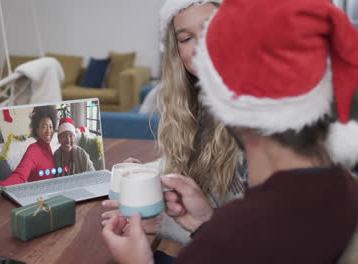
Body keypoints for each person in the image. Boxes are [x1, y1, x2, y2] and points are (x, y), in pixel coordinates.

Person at [102, 0, 358, 262]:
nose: (203, 49)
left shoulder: (232, 234)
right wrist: (205, 222)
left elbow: (238, 243)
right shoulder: (340, 185)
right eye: (187, 38)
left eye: (213, 31)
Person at [102, 0, 246, 243]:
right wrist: (143, 173)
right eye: (185, 38)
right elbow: (180, 165)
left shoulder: (261, 122)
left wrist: (156, 223)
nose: (200, 45)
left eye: (212, 28)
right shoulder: (196, 105)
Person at [0, 106, 57, 186]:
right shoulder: (33, 150)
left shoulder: (48, 148)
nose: (48, 131)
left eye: (51, 127)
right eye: (44, 127)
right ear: (37, 130)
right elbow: (20, 176)